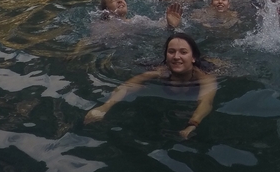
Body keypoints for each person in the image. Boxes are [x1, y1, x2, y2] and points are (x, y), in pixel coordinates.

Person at [84, 33, 217, 139]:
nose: (176, 57)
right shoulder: (160, 71)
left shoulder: (205, 76)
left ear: (193, 58)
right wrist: (104, 107)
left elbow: (206, 101)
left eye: (183, 52)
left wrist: (191, 125)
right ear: (165, 56)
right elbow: (128, 85)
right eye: (171, 51)